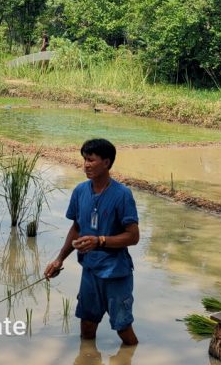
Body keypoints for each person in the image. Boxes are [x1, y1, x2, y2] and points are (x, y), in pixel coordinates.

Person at [45, 138, 140, 346]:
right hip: (90, 271)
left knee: (123, 329)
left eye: (91, 160)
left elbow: (133, 236)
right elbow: (77, 228)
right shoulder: (80, 191)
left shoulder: (122, 195)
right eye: (84, 160)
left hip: (116, 273)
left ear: (106, 163)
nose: (86, 165)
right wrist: (59, 259)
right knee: (87, 327)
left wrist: (100, 241)